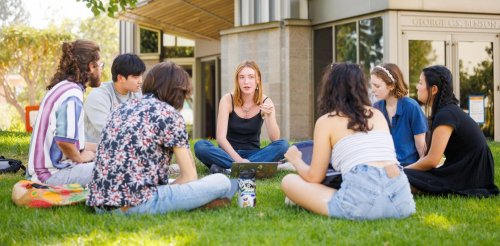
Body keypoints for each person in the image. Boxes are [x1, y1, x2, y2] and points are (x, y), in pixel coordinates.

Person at [87, 62, 235, 214]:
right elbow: (190, 176)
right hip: (134, 206)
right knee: (221, 181)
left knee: (172, 183)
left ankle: (190, 201)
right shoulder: (169, 115)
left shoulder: (120, 109)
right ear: (179, 91)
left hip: (100, 204)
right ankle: (194, 203)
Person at [281, 63, 415, 220]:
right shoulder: (378, 115)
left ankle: (303, 199)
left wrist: (296, 160)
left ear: (330, 88)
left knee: (288, 180)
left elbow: (314, 177)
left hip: (361, 200)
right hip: (402, 201)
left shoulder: (326, 121)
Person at [405, 65, 499, 197]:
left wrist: (402, 170)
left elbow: (432, 160)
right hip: (465, 169)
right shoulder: (447, 111)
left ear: (434, 89)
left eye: (420, 83)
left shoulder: (446, 114)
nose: (417, 87)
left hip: (469, 174)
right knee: (407, 175)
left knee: (402, 177)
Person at [27, 40, 102, 186]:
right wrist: (80, 158)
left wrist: (103, 146)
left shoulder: (65, 87)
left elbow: (72, 141)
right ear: (91, 67)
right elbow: (64, 141)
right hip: (50, 176)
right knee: (117, 169)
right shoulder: (72, 95)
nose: (101, 70)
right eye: (100, 66)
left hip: (44, 171)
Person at [194, 60, 288, 173]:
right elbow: (221, 138)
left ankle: (226, 168)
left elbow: (275, 139)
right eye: (242, 77)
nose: (246, 81)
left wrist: (269, 115)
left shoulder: (266, 101)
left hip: (253, 153)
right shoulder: (227, 100)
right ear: (237, 81)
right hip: (226, 152)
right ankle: (248, 168)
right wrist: (239, 160)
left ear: (258, 80)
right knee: (200, 146)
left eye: (251, 77)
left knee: (283, 145)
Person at [371, 63, 427, 166]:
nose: (373, 90)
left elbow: (421, 149)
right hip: (384, 169)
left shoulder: (411, 107)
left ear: (391, 85)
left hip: (410, 169)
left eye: (377, 86)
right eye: (372, 85)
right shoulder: (376, 108)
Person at [84, 53, 146, 143]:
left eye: (141, 76)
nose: (140, 81)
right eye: (136, 77)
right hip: (95, 149)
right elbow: (109, 131)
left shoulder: (137, 94)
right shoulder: (99, 96)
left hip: (124, 147)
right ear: (120, 78)